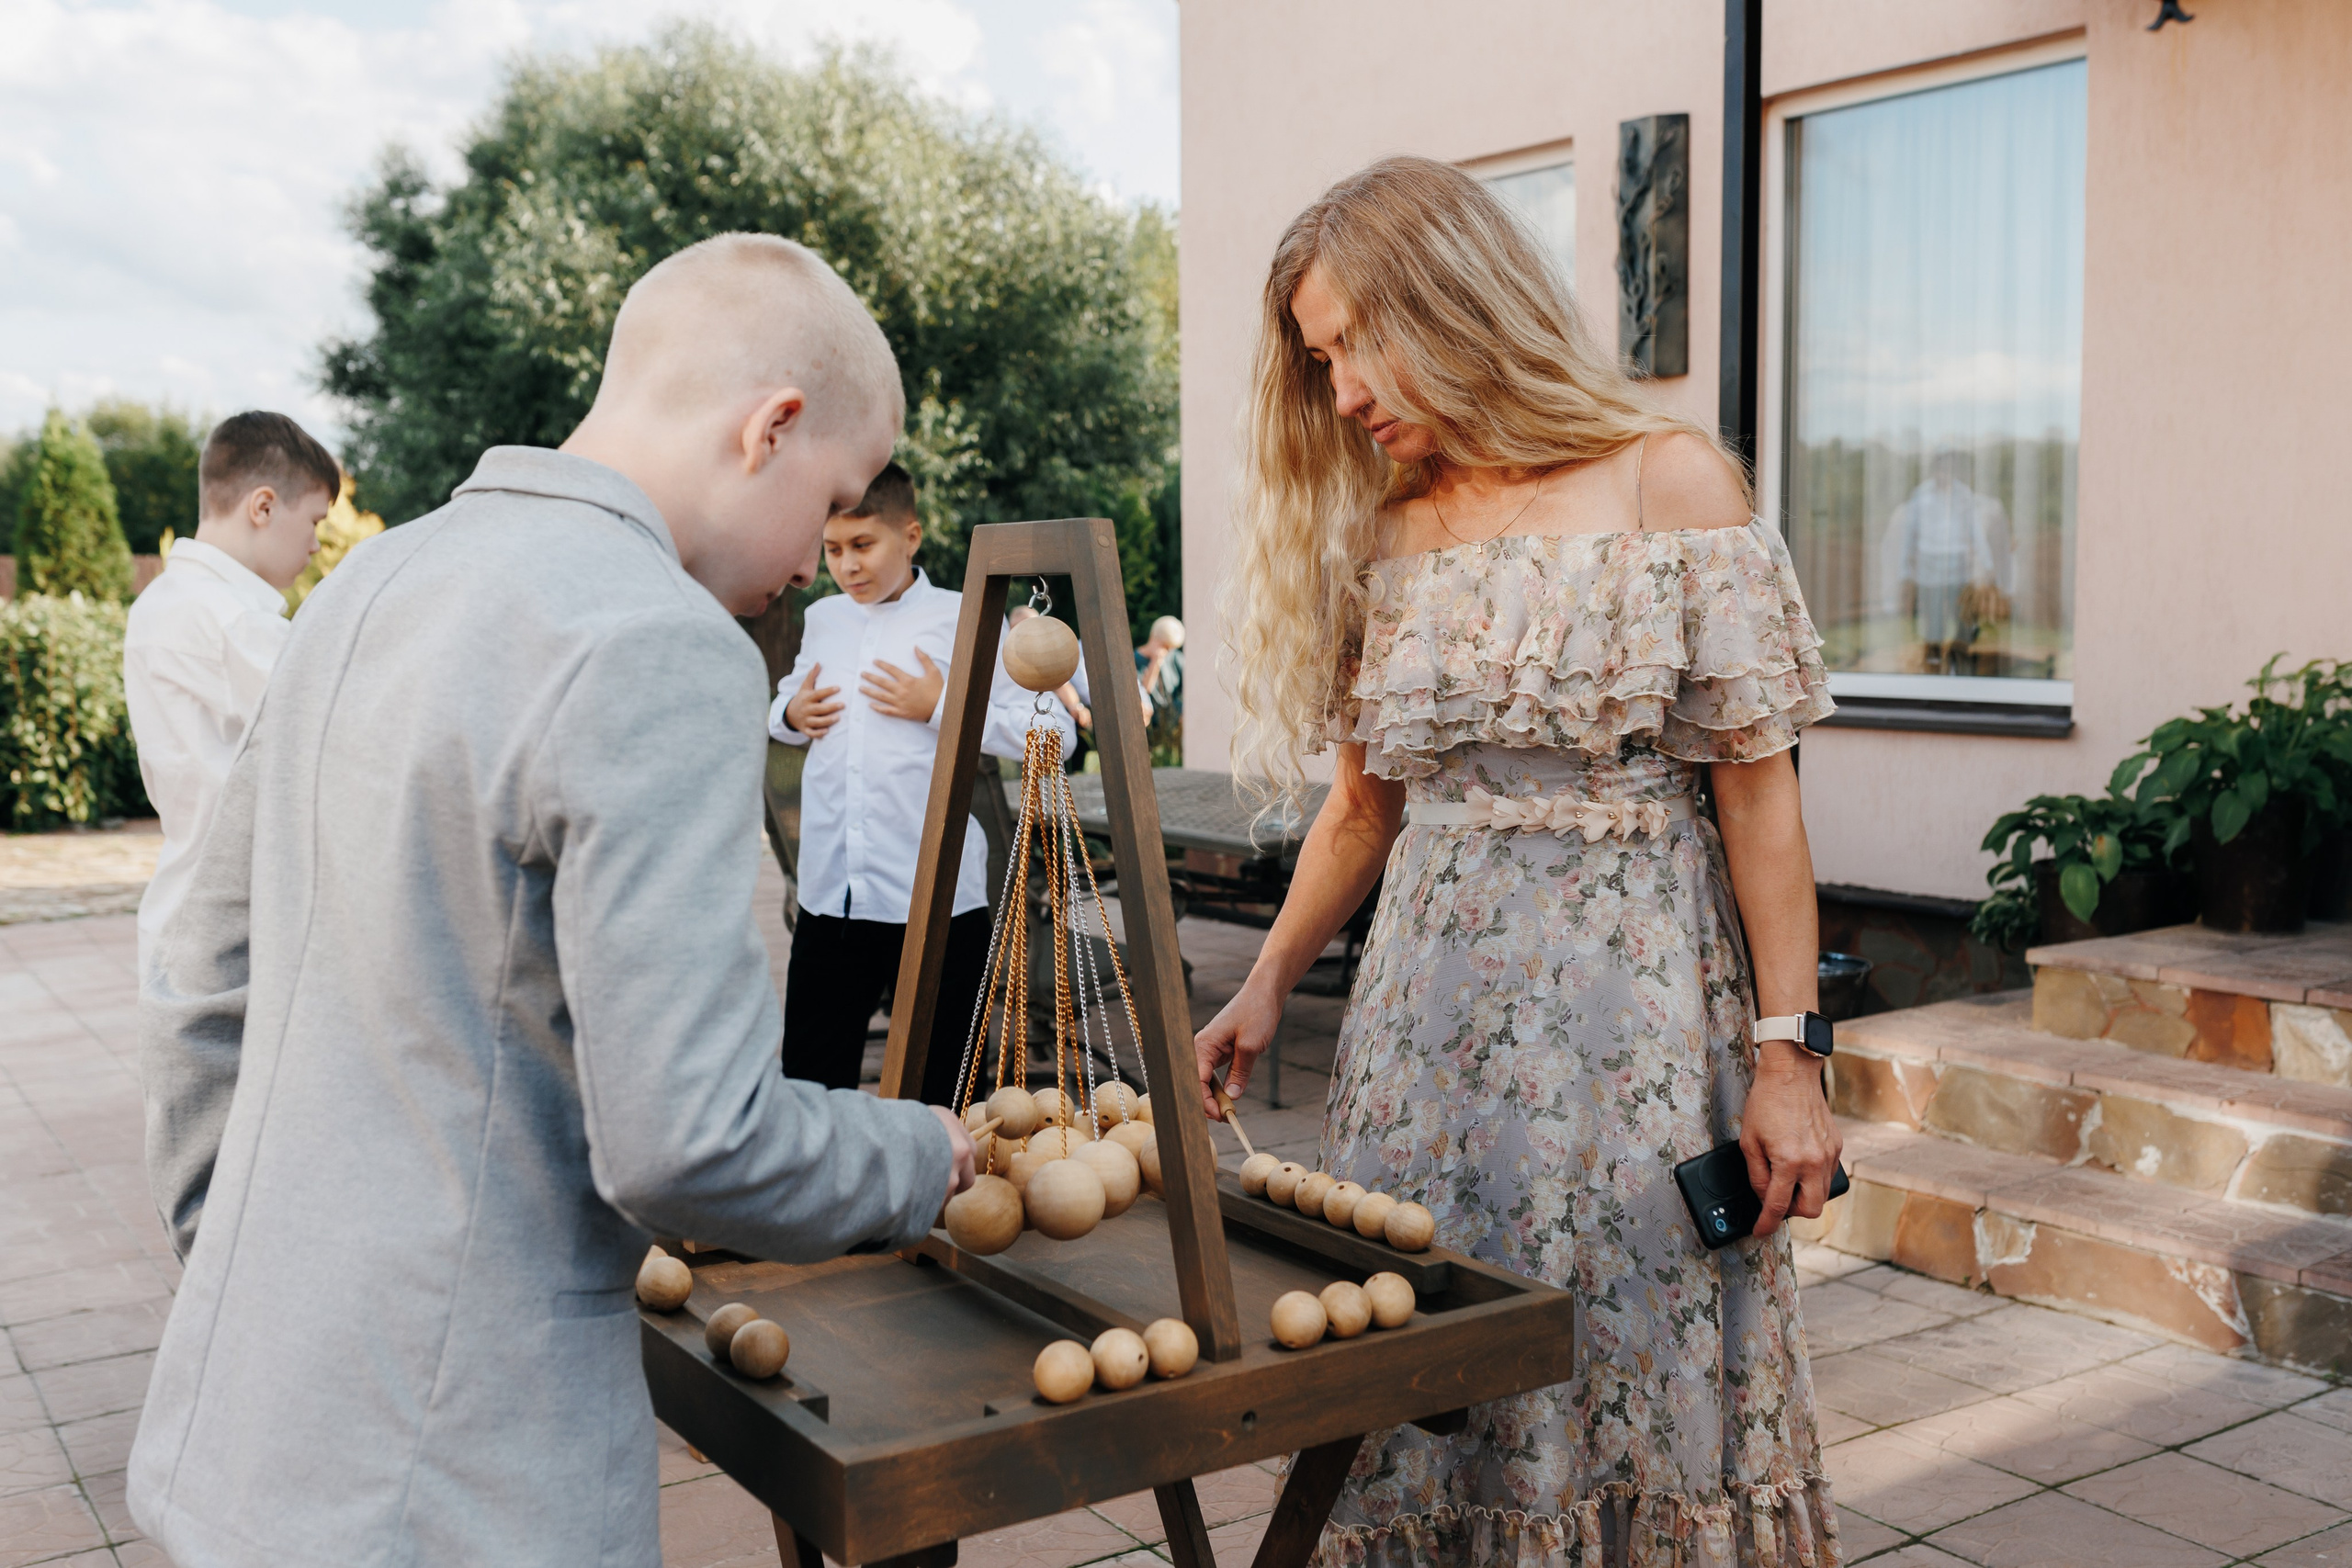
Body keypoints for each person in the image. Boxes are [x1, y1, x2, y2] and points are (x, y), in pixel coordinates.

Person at [130, 233, 976, 1568]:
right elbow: (688, 1141)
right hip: (452, 1482)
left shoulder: (367, 580)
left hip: (243, 1433)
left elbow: (197, 980)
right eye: (833, 499)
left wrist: (239, 1268)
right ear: (772, 426)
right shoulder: (658, 641)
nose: (818, 558)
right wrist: (921, 1154)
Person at [1195, 158, 1844, 1567]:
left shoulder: (1667, 480)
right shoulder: (1383, 528)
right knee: (1427, 1349)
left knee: (1629, 1336)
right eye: (1320, 360)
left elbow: (1762, 805)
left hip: (1640, 1041)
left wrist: (1791, 1057)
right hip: (1426, 1040)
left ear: (1454, 295)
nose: (1345, 388)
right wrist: (1265, 983)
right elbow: (1364, 809)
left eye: (1357, 339)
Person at [770, 463, 1075, 1106]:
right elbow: (788, 699)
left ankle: (931, 1207)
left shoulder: (966, 616)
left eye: (863, 545)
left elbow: (1055, 738)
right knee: (808, 1082)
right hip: (834, 894)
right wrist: (789, 714)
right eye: (832, 550)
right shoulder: (824, 617)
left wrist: (943, 705)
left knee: (938, 1092)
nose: (847, 566)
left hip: (935, 902)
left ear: (910, 535)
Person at [121, 411, 338, 979]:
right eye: (315, 520)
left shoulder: (162, 601)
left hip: (184, 905)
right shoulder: (235, 623)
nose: (317, 544)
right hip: (234, 934)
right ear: (263, 507)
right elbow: (340, 736)